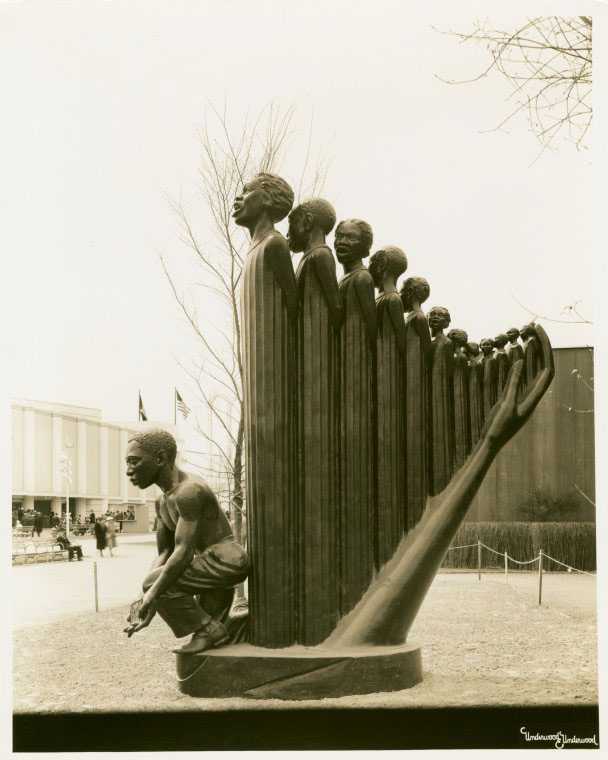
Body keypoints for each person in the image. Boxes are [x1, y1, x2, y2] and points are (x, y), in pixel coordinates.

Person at [123, 429, 249, 655]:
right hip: (208, 564)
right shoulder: (161, 500)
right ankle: (211, 632)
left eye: (134, 462)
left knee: (155, 585)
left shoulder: (188, 491)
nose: (128, 471)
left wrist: (152, 592)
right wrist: (148, 597)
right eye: (127, 463)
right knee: (155, 584)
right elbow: (165, 553)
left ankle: (211, 629)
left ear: (160, 458)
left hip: (226, 560)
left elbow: (183, 551)